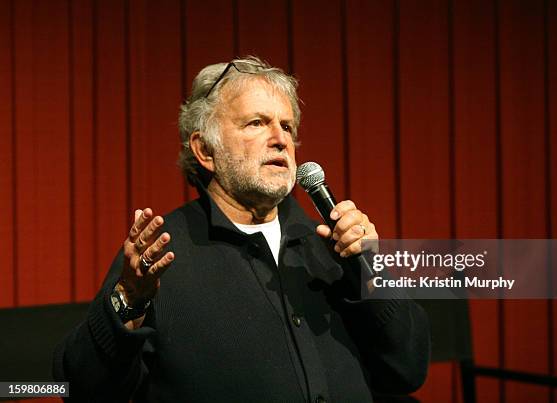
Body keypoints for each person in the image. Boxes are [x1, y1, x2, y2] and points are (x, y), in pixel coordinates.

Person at [53, 56, 430, 402]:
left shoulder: (331, 249)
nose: (281, 138)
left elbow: (407, 371)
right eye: (256, 123)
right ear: (205, 151)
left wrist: (369, 270)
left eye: (287, 125)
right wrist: (127, 304)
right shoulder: (161, 254)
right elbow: (80, 388)